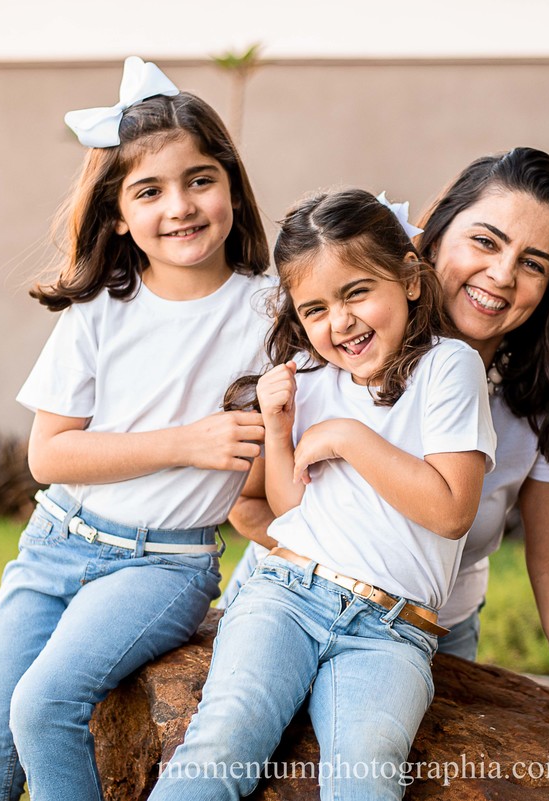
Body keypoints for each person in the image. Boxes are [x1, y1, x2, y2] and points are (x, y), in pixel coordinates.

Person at [224, 149, 549, 785]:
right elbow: (247, 501)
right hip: (286, 609)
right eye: (485, 241)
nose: (501, 275)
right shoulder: (341, 339)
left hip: (423, 634)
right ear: (430, 242)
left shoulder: (536, 399)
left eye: (533, 264)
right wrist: (333, 571)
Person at [0, 57, 273, 801]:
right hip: (54, 545)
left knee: (45, 704)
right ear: (119, 214)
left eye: (200, 179)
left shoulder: (271, 309)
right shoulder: (101, 309)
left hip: (161, 566)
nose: (181, 206)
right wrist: (187, 442)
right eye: (149, 190)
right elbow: (50, 454)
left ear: (231, 184)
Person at [149, 189, 495, 800]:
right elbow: (290, 509)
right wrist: (281, 431)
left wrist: (347, 435)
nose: (339, 323)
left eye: (356, 292)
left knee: (368, 771)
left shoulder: (449, 367)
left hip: (392, 629)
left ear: (411, 280)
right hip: (286, 594)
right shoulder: (310, 376)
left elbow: (450, 509)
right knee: (227, 734)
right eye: (314, 309)